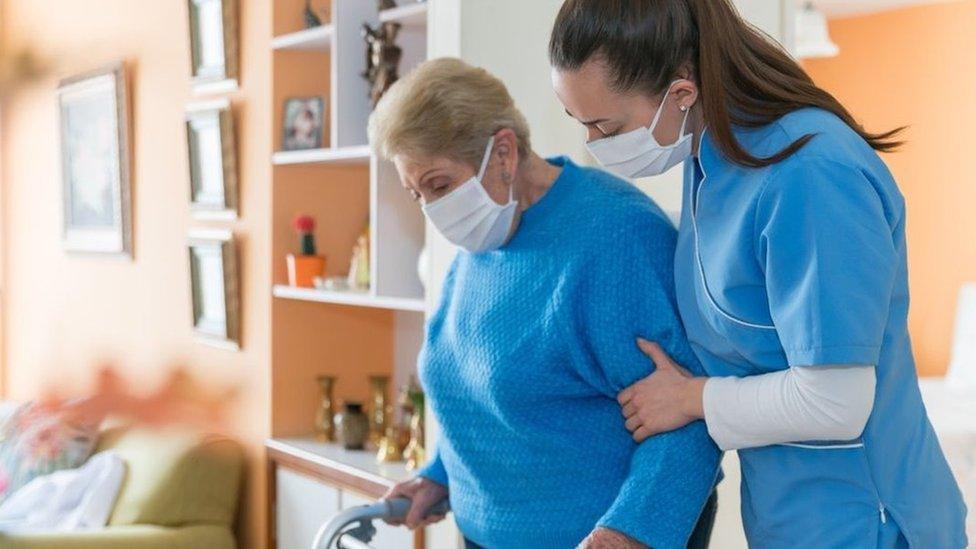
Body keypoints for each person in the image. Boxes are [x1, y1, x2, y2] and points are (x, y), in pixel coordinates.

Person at [548, 1, 967, 547]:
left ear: (681, 92)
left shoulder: (813, 173)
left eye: (606, 125)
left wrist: (692, 398)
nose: (595, 146)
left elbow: (836, 402)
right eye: (580, 124)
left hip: (868, 519)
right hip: (786, 514)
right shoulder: (712, 154)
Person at [368, 57, 721, 549]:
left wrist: (627, 533)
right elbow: (482, 394)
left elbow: (687, 421)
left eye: (439, 185)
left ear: (505, 153)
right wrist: (440, 475)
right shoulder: (482, 244)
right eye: (416, 195)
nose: (432, 209)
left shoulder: (616, 235)